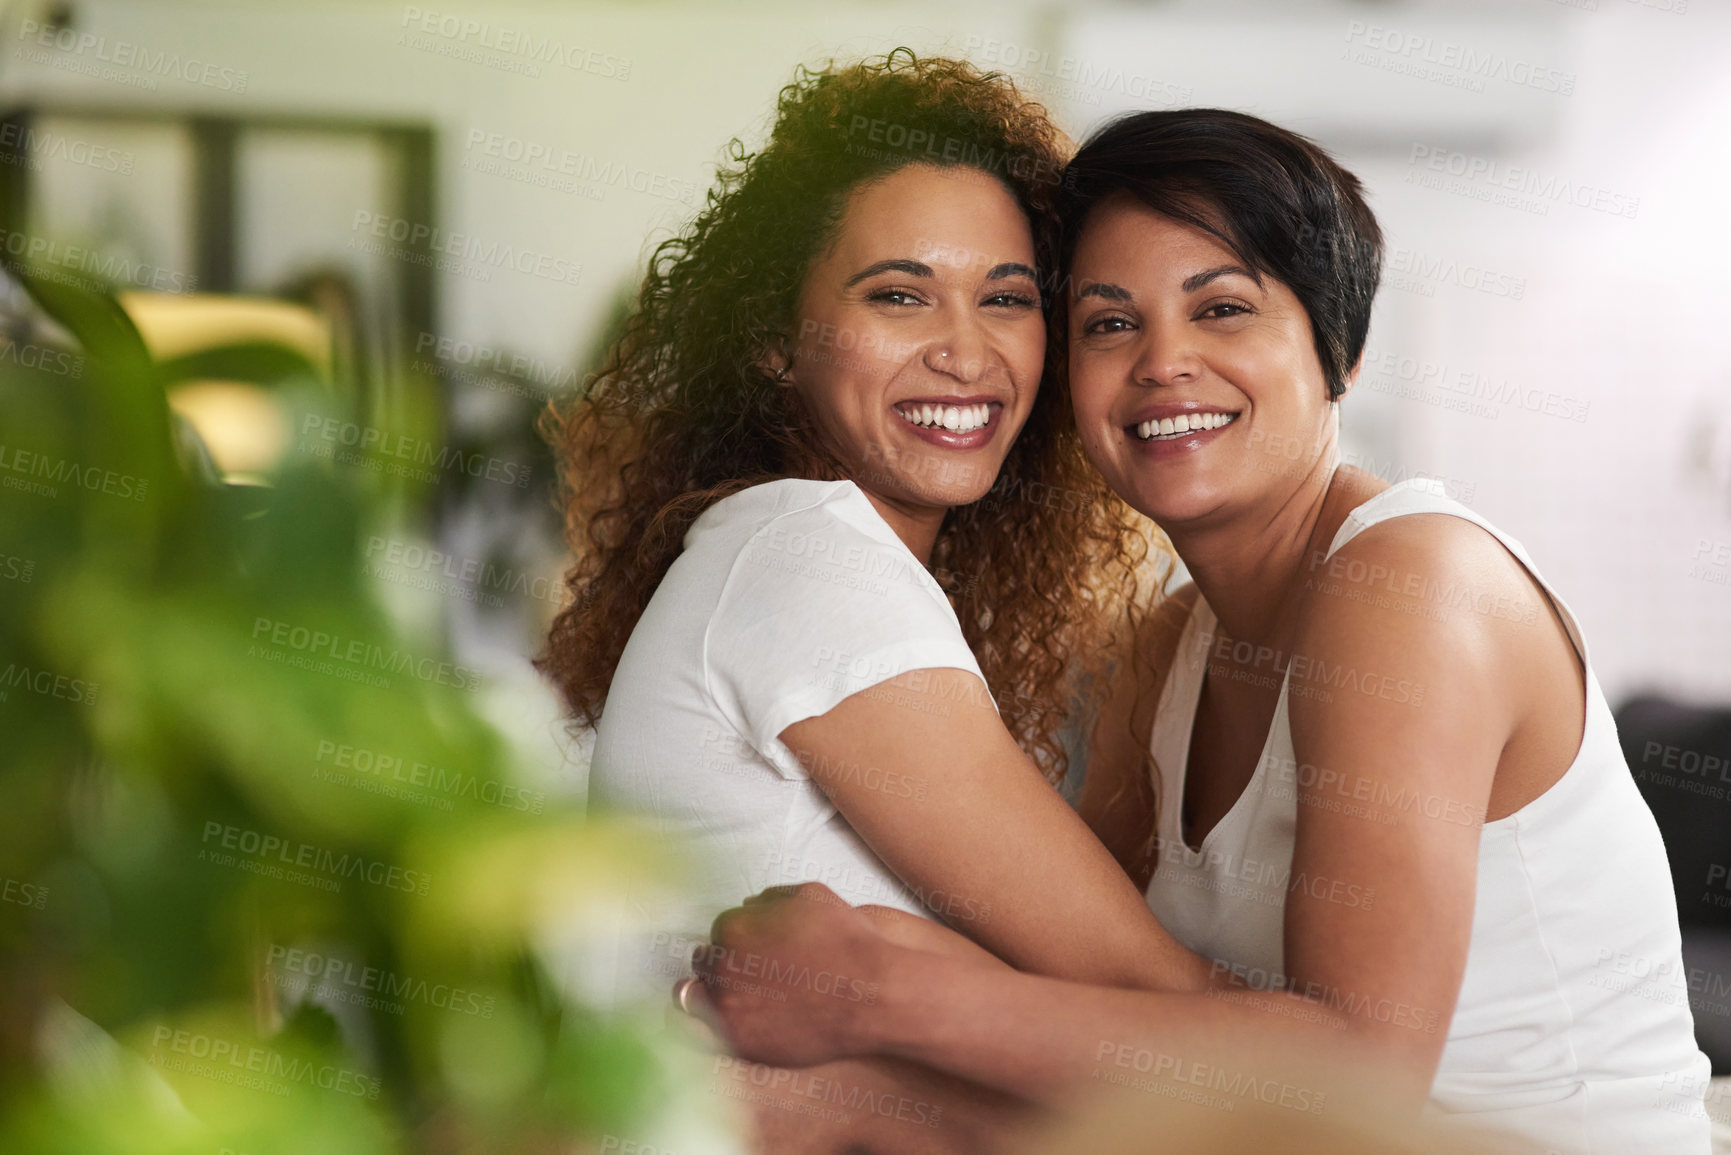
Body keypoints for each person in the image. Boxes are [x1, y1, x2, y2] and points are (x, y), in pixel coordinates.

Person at [689, 109, 1713, 1155]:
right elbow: (1081, 989)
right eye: (1108, 323)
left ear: (1340, 353)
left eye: (1222, 309)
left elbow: (1362, 1075)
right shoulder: (1172, 648)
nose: (1163, 363)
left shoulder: (1414, 584)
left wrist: (888, 999)